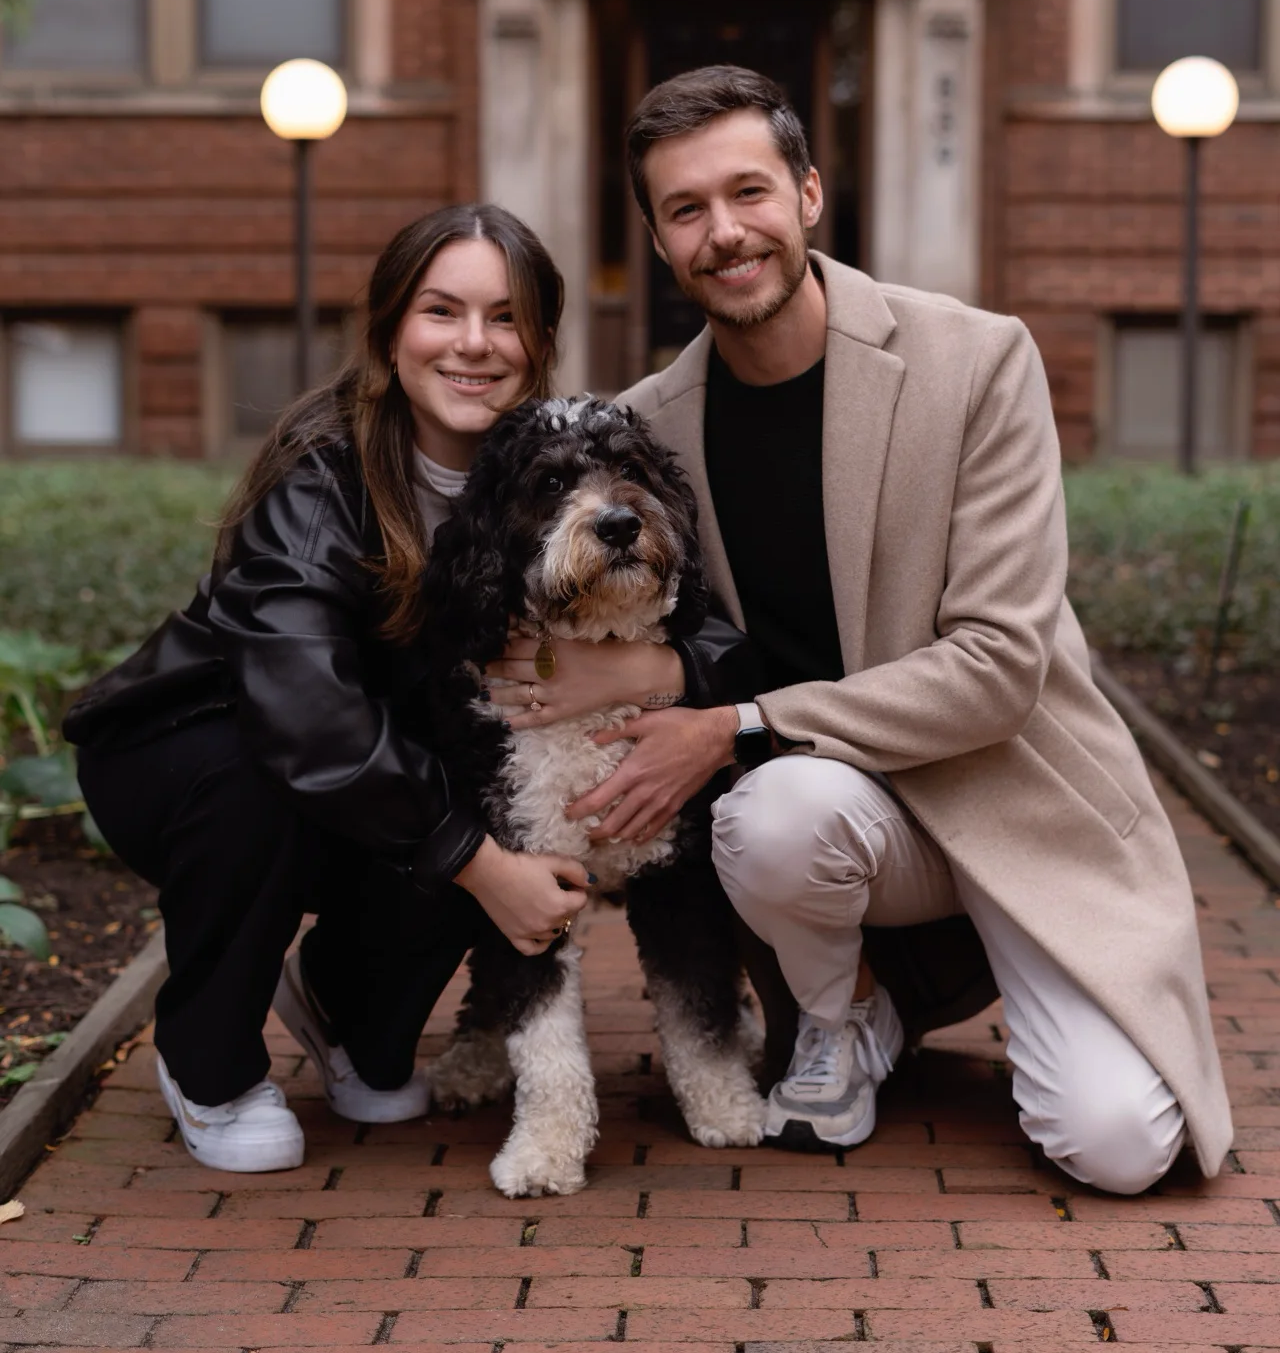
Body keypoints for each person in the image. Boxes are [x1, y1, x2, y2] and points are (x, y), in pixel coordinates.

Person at [516, 64, 1232, 1195]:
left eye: (747, 192)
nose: (724, 233)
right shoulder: (651, 428)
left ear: (806, 194)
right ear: (657, 241)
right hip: (833, 817)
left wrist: (734, 722)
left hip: (1009, 799)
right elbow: (644, 610)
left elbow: (999, 668)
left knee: (1118, 1147)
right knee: (772, 813)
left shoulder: (976, 361)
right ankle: (848, 1014)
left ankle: (986, 984)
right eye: (685, 210)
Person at [65, 203, 747, 1174]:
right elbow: (303, 712)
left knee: (453, 778)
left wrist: (657, 668)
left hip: (382, 765)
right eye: (441, 311)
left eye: (504, 317)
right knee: (272, 780)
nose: (474, 343)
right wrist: (481, 865)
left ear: (539, 340)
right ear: (391, 331)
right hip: (201, 754)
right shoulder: (320, 480)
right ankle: (209, 1066)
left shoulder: (568, 466)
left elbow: (714, 627)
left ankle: (349, 1006)